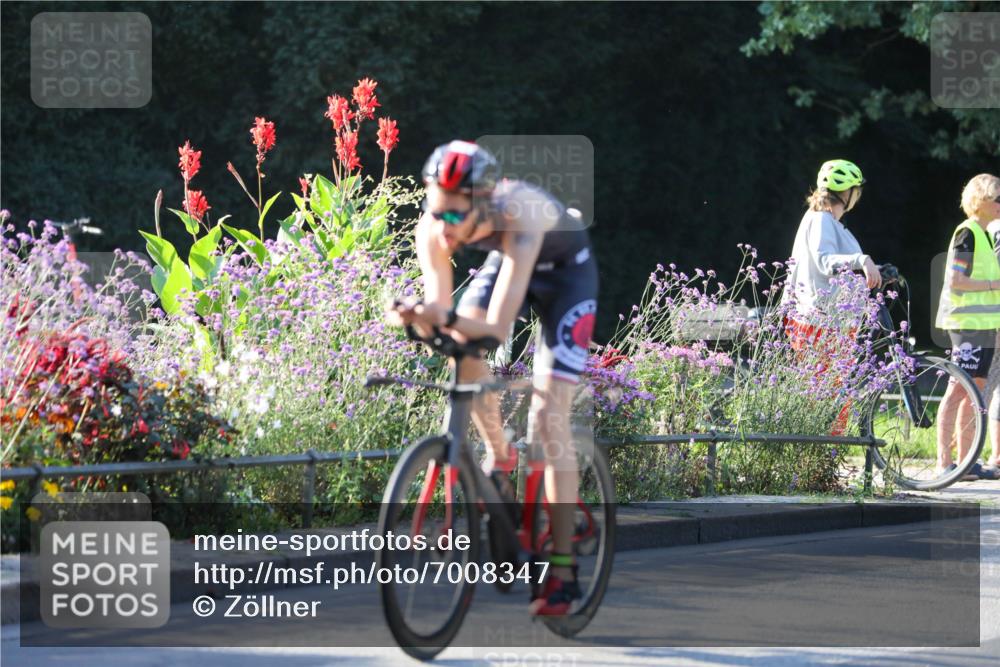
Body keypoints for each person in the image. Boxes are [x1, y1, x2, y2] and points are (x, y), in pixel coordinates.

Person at [386, 140, 599, 615]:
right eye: (436, 213)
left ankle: (562, 572)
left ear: (484, 203)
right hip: (506, 260)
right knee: (461, 354)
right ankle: (499, 456)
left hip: (565, 274)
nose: (443, 228)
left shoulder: (517, 212)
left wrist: (436, 317)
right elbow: (444, 311)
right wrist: (416, 316)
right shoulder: (434, 226)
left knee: (548, 420)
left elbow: (496, 329)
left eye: (455, 218)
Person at [781, 159, 879, 434]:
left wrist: (878, 270)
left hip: (832, 321)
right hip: (819, 322)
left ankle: (826, 462)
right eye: (856, 191)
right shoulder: (822, 219)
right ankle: (813, 462)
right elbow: (826, 261)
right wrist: (862, 259)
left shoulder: (828, 222)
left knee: (834, 397)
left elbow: (841, 266)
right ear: (848, 193)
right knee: (823, 398)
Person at [936, 173, 1000, 480]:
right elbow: (956, 281)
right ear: (980, 201)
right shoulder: (968, 232)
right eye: (996, 198)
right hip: (966, 325)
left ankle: (965, 463)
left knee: (974, 391)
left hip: (984, 324)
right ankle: (944, 463)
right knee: (958, 390)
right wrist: (995, 283)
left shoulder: (985, 234)